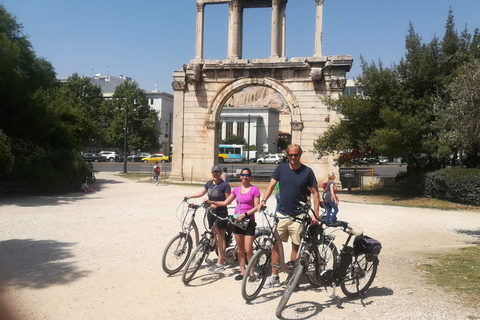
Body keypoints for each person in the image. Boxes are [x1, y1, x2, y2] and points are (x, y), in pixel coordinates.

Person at [258, 144, 320, 288]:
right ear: (287, 155)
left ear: (300, 155)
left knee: (295, 247)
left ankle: (292, 277)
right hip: (282, 213)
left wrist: (315, 215)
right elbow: (271, 186)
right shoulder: (281, 168)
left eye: (296, 155)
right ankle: (274, 276)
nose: (293, 157)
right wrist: (263, 201)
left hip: (299, 215)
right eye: (290, 155)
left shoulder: (307, 172)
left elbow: (316, 193)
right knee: (275, 246)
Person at [208, 168, 260, 280]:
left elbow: (257, 207)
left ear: (250, 176)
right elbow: (226, 202)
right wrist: (213, 202)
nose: (244, 177)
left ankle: (252, 271)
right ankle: (242, 271)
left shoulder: (255, 189)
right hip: (237, 220)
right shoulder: (236, 190)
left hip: (248, 220)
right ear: (240, 176)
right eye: (242, 175)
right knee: (240, 249)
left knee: (248, 249)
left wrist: (245, 214)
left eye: (247, 175)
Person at [186, 165, 231, 273]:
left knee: (221, 237)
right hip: (211, 212)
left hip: (221, 212)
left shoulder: (225, 185)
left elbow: (228, 200)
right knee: (215, 237)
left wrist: (217, 205)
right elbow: (201, 193)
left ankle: (220, 262)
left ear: (220, 174)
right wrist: (190, 196)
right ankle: (218, 254)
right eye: (214, 173)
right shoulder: (209, 184)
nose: (216, 174)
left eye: (218, 173)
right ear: (211, 173)